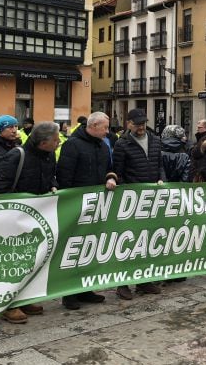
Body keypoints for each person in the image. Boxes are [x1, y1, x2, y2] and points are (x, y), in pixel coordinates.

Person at [0, 122, 59, 323]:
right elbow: (1, 188)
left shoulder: (49, 156)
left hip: (37, 217)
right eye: (55, 140)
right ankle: (8, 305)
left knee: (30, 260)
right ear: (43, 142)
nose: (58, 143)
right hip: (14, 218)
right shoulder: (16, 156)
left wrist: (54, 186)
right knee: (13, 263)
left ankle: (23, 299)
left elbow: (51, 178)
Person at [107, 109, 165, 300]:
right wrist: (124, 188)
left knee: (147, 241)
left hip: (152, 198)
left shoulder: (155, 140)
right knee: (128, 242)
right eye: (137, 124)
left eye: (143, 123)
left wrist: (161, 179)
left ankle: (144, 280)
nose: (141, 127)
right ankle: (122, 283)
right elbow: (118, 170)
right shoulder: (122, 144)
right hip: (132, 199)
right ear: (129, 124)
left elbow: (160, 165)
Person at [56, 113, 112, 310]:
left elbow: (108, 169)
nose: (107, 132)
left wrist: (110, 178)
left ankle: (85, 288)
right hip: (76, 206)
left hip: (96, 206)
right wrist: (68, 203)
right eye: (104, 128)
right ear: (94, 125)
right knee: (73, 249)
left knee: (90, 248)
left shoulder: (103, 146)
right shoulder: (72, 145)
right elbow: (64, 174)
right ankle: (69, 293)